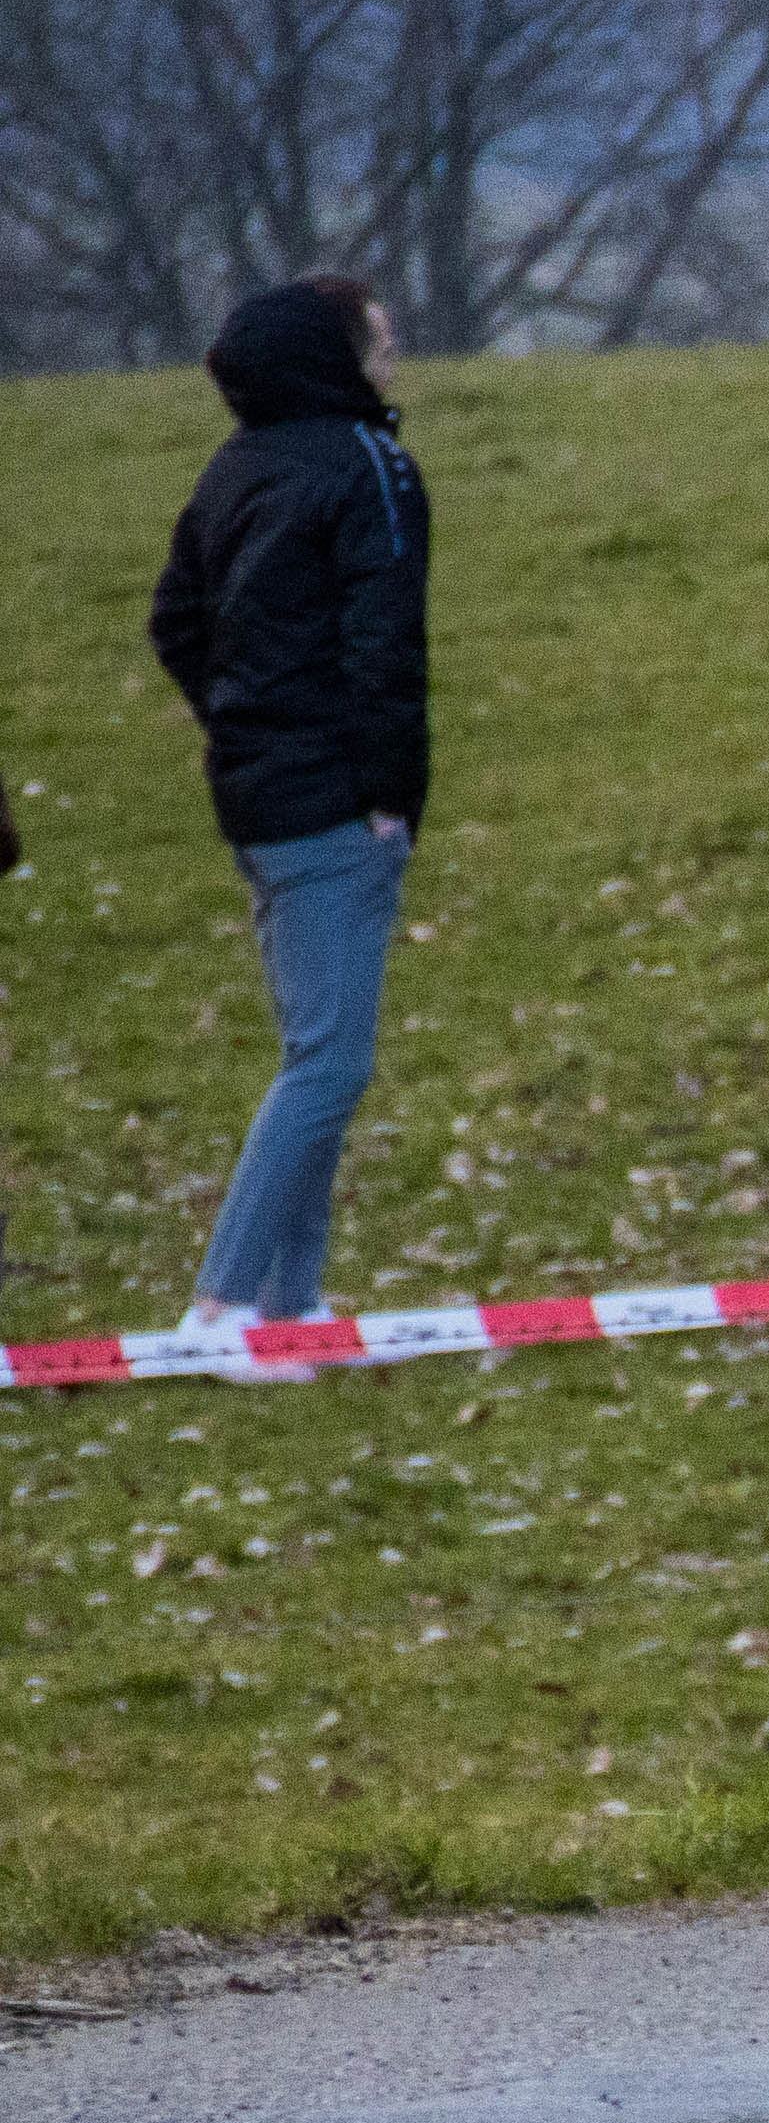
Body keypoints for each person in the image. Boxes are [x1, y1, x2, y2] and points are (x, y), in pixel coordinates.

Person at [144, 275, 428, 1380]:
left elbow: (175, 619)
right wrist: (388, 789)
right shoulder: (372, 468)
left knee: (324, 1053)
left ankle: (292, 1303)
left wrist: (239, 722)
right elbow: (384, 648)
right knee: (327, 1063)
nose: (391, 355)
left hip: (254, 794)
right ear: (336, 354)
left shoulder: (235, 469)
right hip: (332, 803)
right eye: (379, 339)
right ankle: (221, 1310)